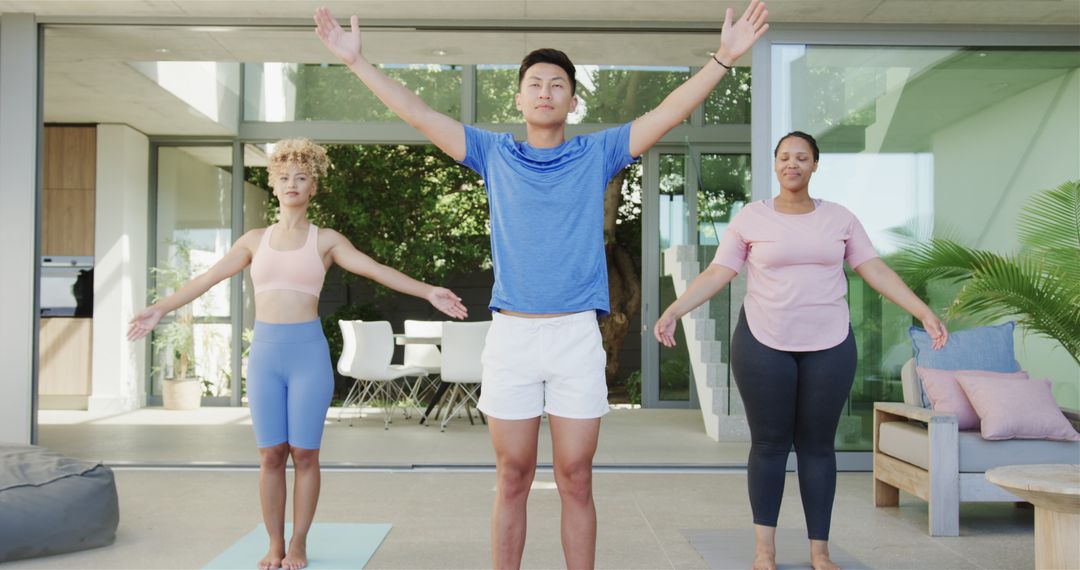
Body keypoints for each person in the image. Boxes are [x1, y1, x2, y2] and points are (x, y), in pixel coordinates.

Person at [314, 3, 768, 568]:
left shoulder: (597, 152)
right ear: (520, 99)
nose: (546, 92)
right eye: (535, 84)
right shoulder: (493, 153)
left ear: (573, 100)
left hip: (577, 335)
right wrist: (358, 63)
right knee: (513, 476)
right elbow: (418, 113)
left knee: (576, 477)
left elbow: (669, 112)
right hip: (512, 338)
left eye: (558, 85)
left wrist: (723, 58)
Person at [127, 138, 468, 570]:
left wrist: (428, 291)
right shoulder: (254, 240)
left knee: (305, 453)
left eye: (301, 177)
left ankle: (300, 542)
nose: (292, 183)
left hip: (308, 354)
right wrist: (161, 307)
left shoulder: (325, 241)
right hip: (267, 354)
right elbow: (208, 278)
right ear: (273, 185)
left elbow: (374, 269)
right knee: (271, 454)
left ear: (312, 188)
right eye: (284, 177)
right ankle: (274, 544)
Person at [654, 131, 948, 570]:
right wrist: (675, 309)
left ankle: (820, 552)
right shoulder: (751, 218)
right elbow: (719, 272)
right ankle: (764, 551)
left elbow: (875, 269)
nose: (793, 164)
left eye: (802, 157)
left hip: (829, 344)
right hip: (762, 342)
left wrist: (922, 311)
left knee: (817, 447)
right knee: (770, 444)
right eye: (785, 157)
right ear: (775, 165)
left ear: (815, 165)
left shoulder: (840, 219)